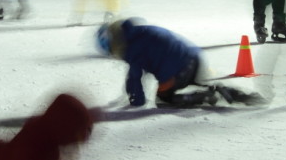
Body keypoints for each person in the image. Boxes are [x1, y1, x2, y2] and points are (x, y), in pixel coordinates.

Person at [97, 18, 265, 107]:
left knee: (163, 99)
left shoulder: (132, 49)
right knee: (191, 80)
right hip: (193, 58)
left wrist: (136, 100)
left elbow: (135, 77)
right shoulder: (140, 32)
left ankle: (204, 96)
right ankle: (236, 95)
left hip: (177, 71)